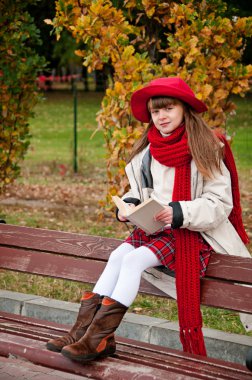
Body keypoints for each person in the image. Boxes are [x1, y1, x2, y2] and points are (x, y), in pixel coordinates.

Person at [46, 77, 250, 362]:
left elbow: (219, 204)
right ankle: (83, 332)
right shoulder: (149, 152)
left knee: (133, 260)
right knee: (119, 255)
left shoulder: (205, 147)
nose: (161, 117)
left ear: (185, 109)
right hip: (156, 227)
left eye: (168, 109)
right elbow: (140, 191)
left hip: (190, 233)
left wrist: (179, 212)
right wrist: (127, 206)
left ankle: (98, 338)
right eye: (155, 112)